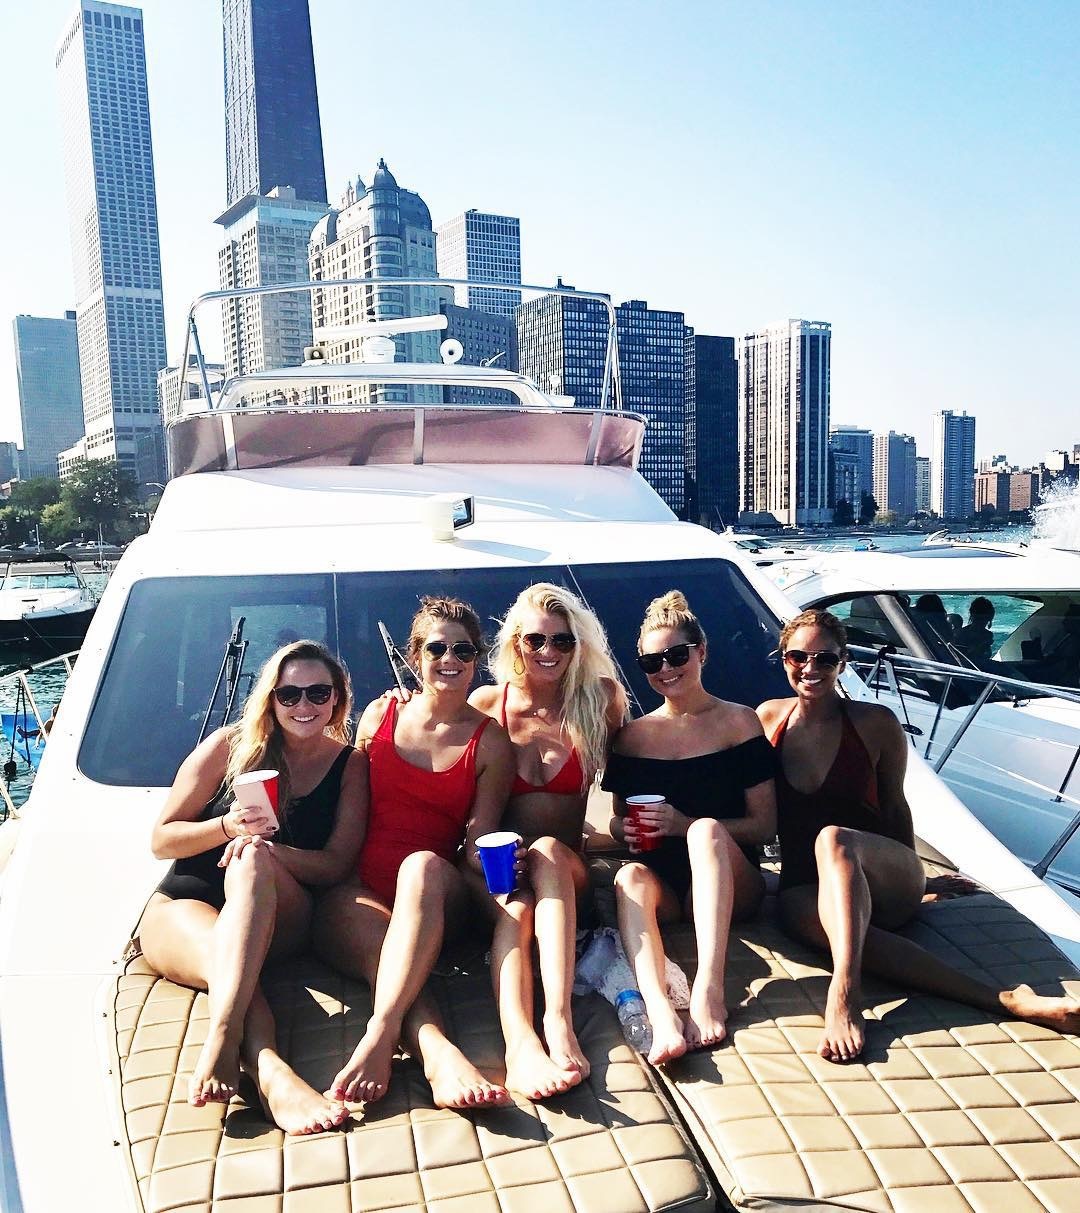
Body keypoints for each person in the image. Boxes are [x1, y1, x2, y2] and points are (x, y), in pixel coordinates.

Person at [757, 608, 1080, 1064]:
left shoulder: (875, 723)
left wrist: (918, 880)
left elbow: (894, 807)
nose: (810, 668)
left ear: (842, 663)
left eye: (825, 659)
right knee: (816, 921)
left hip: (881, 878)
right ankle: (1007, 1000)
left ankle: (844, 992)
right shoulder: (768, 719)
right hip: (807, 885)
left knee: (834, 839)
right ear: (784, 658)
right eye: (798, 657)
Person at [142, 641, 366, 1134]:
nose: (303, 705)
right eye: (289, 694)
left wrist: (264, 850)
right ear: (271, 698)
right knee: (227, 961)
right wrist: (228, 826)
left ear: (336, 699)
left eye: (318, 693)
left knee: (252, 862)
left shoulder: (350, 764)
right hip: (188, 902)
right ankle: (269, 1069)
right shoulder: (229, 746)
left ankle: (225, 1037)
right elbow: (162, 840)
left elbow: (335, 865)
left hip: (282, 914)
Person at [314, 596, 517, 1109]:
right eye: (437, 648)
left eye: (464, 650)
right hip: (359, 891)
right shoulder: (379, 715)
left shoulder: (490, 741)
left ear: (477, 659)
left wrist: (506, 863)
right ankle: (438, 1053)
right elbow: (344, 800)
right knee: (385, 954)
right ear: (414, 656)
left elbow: (477, 841)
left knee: (421, 866)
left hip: (435, 895)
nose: (450, 659)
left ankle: (379, 1034)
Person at [603, 591, 777, 1064]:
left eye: (677, 655)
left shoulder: (739, 723)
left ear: (701, 652)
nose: (665, 668)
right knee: (628, 875)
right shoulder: (633, 738)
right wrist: (623, 832)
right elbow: (619, 819)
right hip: (665, 886)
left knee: (705, 832)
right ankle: (659, 1010)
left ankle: (708, 989)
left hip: (731, 882)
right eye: (651, 662)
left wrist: (684, 825)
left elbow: (765, 826)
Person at [470, 582, 628, 1099]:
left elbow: (634, 777)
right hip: (505, 876)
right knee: (517, 909)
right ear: (516, 643)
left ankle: (558, 1021)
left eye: (562, 641)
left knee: (548, 852)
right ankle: (520, 1044)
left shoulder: (600, 700)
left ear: (577, 646)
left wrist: (626, 830)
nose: (549, 652)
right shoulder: (487, 705)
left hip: (566, 873)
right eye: (536, 640)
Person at [954, 597, 995, 662]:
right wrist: (981, 647)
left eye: (985, 619)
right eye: (979, 618)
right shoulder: (960, 635)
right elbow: (960, 658)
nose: (981, 622)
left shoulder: (988, 635)